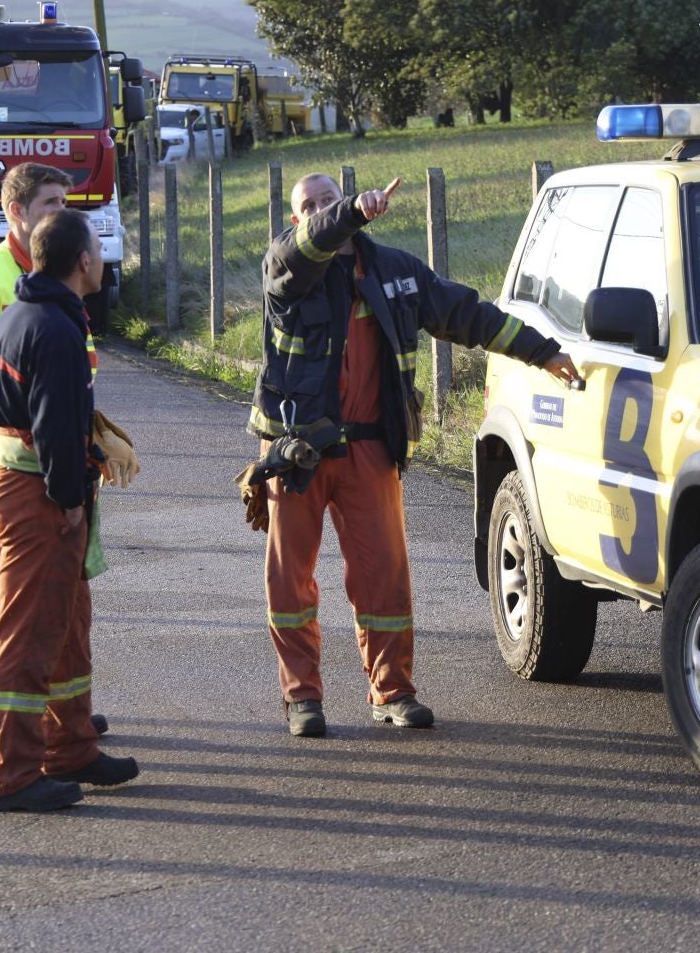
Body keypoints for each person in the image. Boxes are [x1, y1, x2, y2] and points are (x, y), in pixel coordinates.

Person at [247, 173, 578, 737]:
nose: (323, 210)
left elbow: (466, 315)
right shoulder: (286, 267)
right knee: (290, 582)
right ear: (297, 219)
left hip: (373, 446)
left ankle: (392, 693)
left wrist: (541, 351)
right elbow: (309, 245)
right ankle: (302, 698)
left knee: (386, 581)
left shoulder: (395, 272)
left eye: (330, 198)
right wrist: (350, 209)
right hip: (294, 452)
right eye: (311, 205)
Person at [0, 164, 135, 762]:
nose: (61, 211)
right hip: (17, 464)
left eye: (64, 202)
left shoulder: (44, 284)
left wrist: (90, 437)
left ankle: (60, 721)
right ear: (16, 214)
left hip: (46, 459)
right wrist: (17, 452)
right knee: (5, 597)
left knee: (62, 603)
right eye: (50, 202)